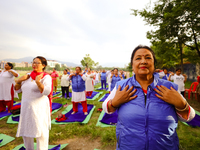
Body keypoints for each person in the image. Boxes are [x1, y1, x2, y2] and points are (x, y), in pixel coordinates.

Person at [102, 45, 195, 150]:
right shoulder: (122, 86)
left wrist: (181, 104)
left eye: (148, 57)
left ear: (154, 64)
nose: (143, 61)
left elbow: (190, 117)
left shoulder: (170, 87)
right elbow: (106, 107)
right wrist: (114, 102)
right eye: (138, 58)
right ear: (132, 65)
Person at [15, 56, 52, 150]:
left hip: (39, 108)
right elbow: (17, 90)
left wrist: (38, 83)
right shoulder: (27, 76)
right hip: (26, 107)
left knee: (41, 131)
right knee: (27, 128)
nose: (34, 64)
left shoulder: (46, 77)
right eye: (33, 62)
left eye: (37, 63)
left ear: (43, 65)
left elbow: (47, 91)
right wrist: (19, 81)